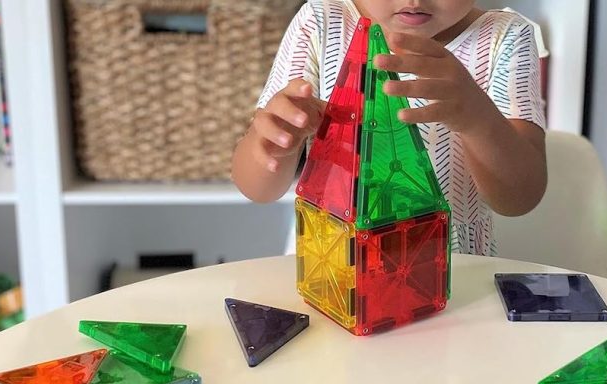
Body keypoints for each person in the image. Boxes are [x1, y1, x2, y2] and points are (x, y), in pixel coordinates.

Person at [232, 0, 546, 256]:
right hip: (334, 265)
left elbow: (520, 198)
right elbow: (258, 189)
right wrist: (272, 143)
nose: (414, 0)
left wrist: (479, 119)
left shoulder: (505, 36)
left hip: (455, 273)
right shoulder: (320, 22)